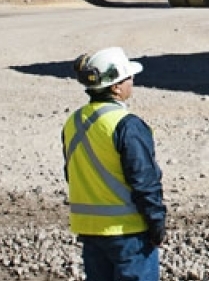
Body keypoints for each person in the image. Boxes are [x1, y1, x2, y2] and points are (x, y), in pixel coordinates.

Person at [63, 47, 166, 281]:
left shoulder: (73, 122)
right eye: (128, 77)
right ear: (115, 87)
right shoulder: (126, 125)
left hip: (90, 231)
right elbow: (144, 180)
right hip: (129, 234)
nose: (133, 80)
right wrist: (157, 223)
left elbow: (72, 173)